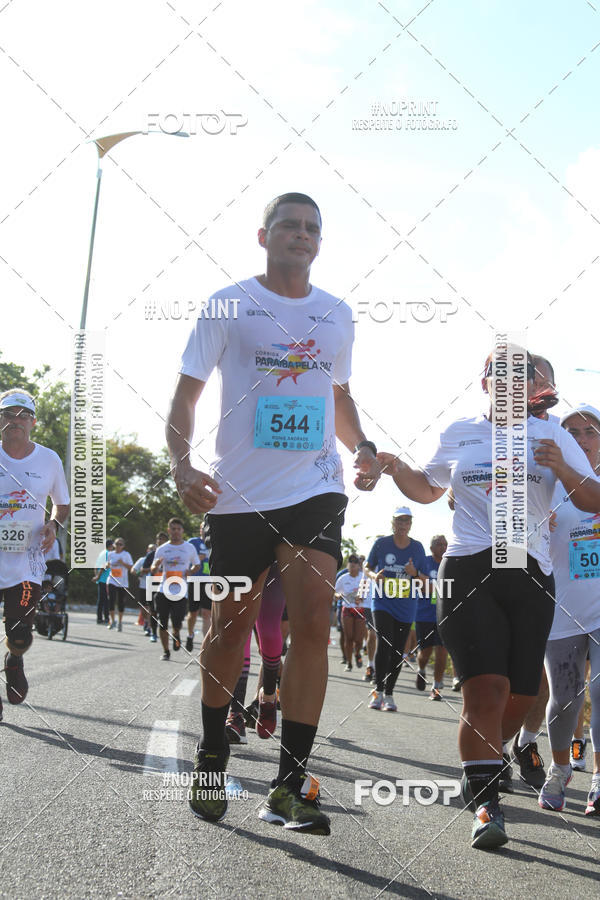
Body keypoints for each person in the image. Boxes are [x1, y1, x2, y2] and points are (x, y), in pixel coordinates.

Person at [166, 192, 380, 834]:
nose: (302, 234)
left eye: (313, 227)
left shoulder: (337, 314)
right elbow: (184, 396)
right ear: (264, 236)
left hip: (315, 488)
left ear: (321, 240)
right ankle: (211, 751)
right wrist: (182, 466)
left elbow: (338, 397)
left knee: (313, 622)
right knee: (229, 629)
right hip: (238, 495)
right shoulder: (228, 304)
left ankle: (289, 784)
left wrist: (363, 447)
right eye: (290, 225)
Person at [377, 349, 600, 850]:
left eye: (521, 377)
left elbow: (593, 499)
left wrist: (563, 467)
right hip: (469, 566)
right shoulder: (460, 431)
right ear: (484, 382)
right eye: (500, 375)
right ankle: (485, 803)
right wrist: (395, 467)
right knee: (486, 689)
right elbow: (427, 488)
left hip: (530, 571)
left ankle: (489, 755)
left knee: (522, 697)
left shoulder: (553, 434)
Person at [539, 404, 600, 816]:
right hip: (562, 609)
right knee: (565, 699)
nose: (580, 438)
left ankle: (599, 778)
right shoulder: (544, 482)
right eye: (571, 431)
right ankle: (560, 769)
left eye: (589, 431)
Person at [0, 389, 69, 718]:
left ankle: (14, 661)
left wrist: (53, 524)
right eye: (9, 415)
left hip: (25, 562)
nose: (15, 421)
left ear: (33, 423)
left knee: (21, 635)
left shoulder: (49, 459)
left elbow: (62, 504)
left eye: (22, 416)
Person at [364, 507, 428, 712]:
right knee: (385, 643)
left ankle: (389, 694)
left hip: (406, 605)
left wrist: (414, 572)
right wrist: (374, 576)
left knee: (397, 651)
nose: (402, 525)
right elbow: (367, 566)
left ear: (411, 524)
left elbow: (426, 579)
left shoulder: (418, 548)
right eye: (399, 521)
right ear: (393, 523)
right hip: (383, 602)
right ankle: (378, 691)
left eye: (406, 521)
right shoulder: (381, 544)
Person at [151, 518, 200, 660]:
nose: (176, 532)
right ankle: (166, 651)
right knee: (163, 622)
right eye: (173, 529)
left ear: (182, 531)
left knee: (177, 621)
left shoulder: (189, 548)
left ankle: (176, 633)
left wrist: (190, 571)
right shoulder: (162, 549)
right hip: (163, 590)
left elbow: (196, 565)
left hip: (181, 592)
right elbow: (154, 567)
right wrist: (155, 566)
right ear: (169, 530)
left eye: (178, 529)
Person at [415, 535, 449, 701]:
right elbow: (418, 585)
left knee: (442, 651)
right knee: (425, 652)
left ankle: (436, 686)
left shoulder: (450, 563)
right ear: (431, 547)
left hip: (444, 615)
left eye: (445, 544)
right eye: (439, 544)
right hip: (424, 613)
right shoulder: (424, 563)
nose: (443, 547)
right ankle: (421, 670)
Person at [334, 554, 365, 672]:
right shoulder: (343, 578)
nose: (352, 566)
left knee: (358, 639)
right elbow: (335, 593)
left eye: (355, 564)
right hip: (347, 609)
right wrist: (338, 596)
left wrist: (361, 597)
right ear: (348, 565)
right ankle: (349, 662)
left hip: (360, 610)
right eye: (350, 564)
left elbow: (369, 594)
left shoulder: (363, 578)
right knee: (349, 637)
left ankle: (357, 653)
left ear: (358, 566)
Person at [140, 531, 168, 643]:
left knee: (164, 611)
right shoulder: (151, 554)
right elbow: (143, 569)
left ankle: (163, 631)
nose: (160, 541)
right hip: (152, 582)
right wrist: (154, 568)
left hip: (166, 583)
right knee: (152, 610)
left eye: (163, 539)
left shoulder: (170, 553)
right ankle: (154, 633)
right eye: (159, 539)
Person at [186, 523, 210, 651]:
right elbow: (186, 558)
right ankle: (190, 635)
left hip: (209, 581)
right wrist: (197, 557)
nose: (206, 530)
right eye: (203, 528)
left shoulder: (214, 543)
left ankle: (207, 645)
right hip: (195, 580)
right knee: (193, 612)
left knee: (207, 613)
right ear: (200, 530)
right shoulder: (193, 542)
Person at [106, 538, 133, 631]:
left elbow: (131, 567)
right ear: (114, 545)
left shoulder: (126, 555)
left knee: (121, 602)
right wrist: (107, 565)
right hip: (112, 580)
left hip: (123, 582)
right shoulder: (110, 554)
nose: (118, 546)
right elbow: (108, 564)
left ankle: (120, 622)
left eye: (120, 544)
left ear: (123, 546)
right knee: (111, 600)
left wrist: (122, 563)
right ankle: (112, 621)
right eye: (117, 544)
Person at [132, 544, 155, 635]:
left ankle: (149, 626)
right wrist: (139, 573)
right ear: (147, 550)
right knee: (143, 607)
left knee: (150, 607)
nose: (152, 551)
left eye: (154, 549)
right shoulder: (142, 560)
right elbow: (133, 570)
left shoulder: (156, 562)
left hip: (153, 586)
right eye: (151, 549)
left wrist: (150, 570)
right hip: (143, 585)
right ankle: (145, 620)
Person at [93, 539, 113, 624]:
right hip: (105, 579)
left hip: (101, 579)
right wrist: (98, 576)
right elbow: (103, 566)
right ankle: (106, 618)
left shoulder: (102, 553)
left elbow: (95, 566)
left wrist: (96, 575)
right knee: (106, 600)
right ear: (110, 546)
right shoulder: (108, 553)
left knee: (101, 600)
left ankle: (99, 618)